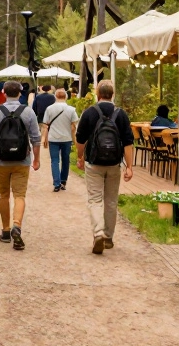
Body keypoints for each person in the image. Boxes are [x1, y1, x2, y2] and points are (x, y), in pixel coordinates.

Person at [75, 80, 135, 255]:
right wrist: (129, 166)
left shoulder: (89, 113)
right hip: (114, 164)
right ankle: (108, 236)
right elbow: (128, 142)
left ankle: (98, 232)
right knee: (111, 201)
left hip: (94, 163)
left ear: (97, 93)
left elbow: (80, 138)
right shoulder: (121, 114)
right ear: (113, 94)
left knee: (95, 199)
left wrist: (80, 156)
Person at [0, 80, 41, 251]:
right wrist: (36, 159)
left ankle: (6, 231)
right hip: (22, 160)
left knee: (3, 195)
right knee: (19, 196)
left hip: (1, 160)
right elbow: (36, 139)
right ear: (20, 92)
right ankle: (17, 225)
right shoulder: (28, 112)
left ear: (4, 93)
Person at [41, 89, 79, 192]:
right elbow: (73, 127)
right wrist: (74, 139)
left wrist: (45, 138)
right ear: (66, 97)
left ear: (55, 97)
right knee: (66, 160)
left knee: (54, 160)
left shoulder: (49, 109)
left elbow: (45, 125)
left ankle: (56, 183)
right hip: (66, 139)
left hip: (53, 138)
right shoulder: (71, 109)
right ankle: (63, 181)